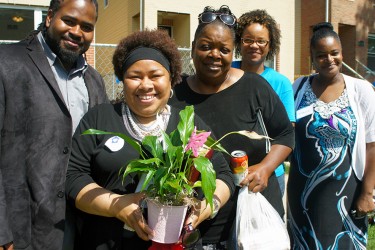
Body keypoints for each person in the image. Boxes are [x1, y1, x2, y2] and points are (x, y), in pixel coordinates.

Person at [65, 29, 235, 249]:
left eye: (155, 76)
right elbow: (73, 177)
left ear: (171, 79)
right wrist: (116, 206)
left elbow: (223, 173)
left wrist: (205, 208)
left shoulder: (188, 123)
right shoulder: (100, 119)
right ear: (122, 80)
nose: (146, 85)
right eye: (135, 76)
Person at [169, 5, 294, 249]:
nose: (214, 54)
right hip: (198, 224)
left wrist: (266, 168)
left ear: (232, 52)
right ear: (193, 47)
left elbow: (286, 134)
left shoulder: (253, 87)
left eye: (224, 49)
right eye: (205, 46)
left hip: (253, 216)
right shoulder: (176, 93)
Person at [0, 0, 108, 249]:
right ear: (50, 17)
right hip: (23, 228)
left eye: (87, 26)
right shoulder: (7, 63)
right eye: (69, 21)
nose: (77, 32)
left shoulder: (93, 80)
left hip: (81, 224)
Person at [287, 22, 375, 249]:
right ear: (312, 58)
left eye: (334, 53)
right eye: (321, 55)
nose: (329, 60)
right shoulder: (298, 86)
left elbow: (372, 145)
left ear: (341, 53)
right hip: (302, 193)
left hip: (346, 192)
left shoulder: (361, 90)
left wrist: (367, 192)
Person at [233, 9, 295, 197]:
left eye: (261, 41)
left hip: (268, 174)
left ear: (270, 45)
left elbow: (287, 130)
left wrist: (266, 168)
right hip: (229, 170)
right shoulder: (226, 71)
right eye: (248, 40)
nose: (255, 46)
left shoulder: (280, 82)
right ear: (239, 41)